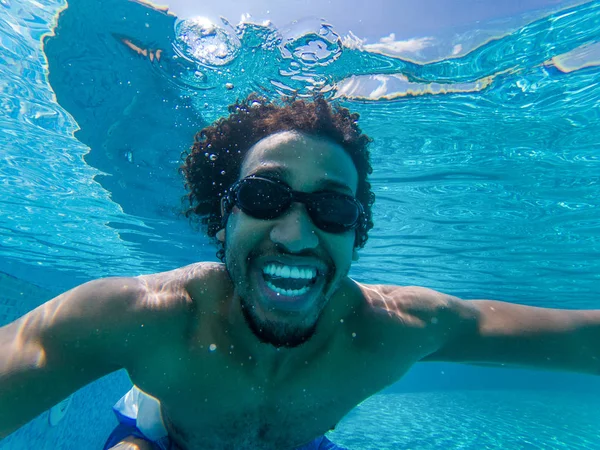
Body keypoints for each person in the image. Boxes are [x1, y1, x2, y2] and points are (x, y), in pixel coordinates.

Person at [1, 95, 599, 450]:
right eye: (264, 197)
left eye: (332, 207)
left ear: (356, 231)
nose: (296, 234)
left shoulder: (396, 328)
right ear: (222, 218)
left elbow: (580, 338)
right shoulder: (143, 317)